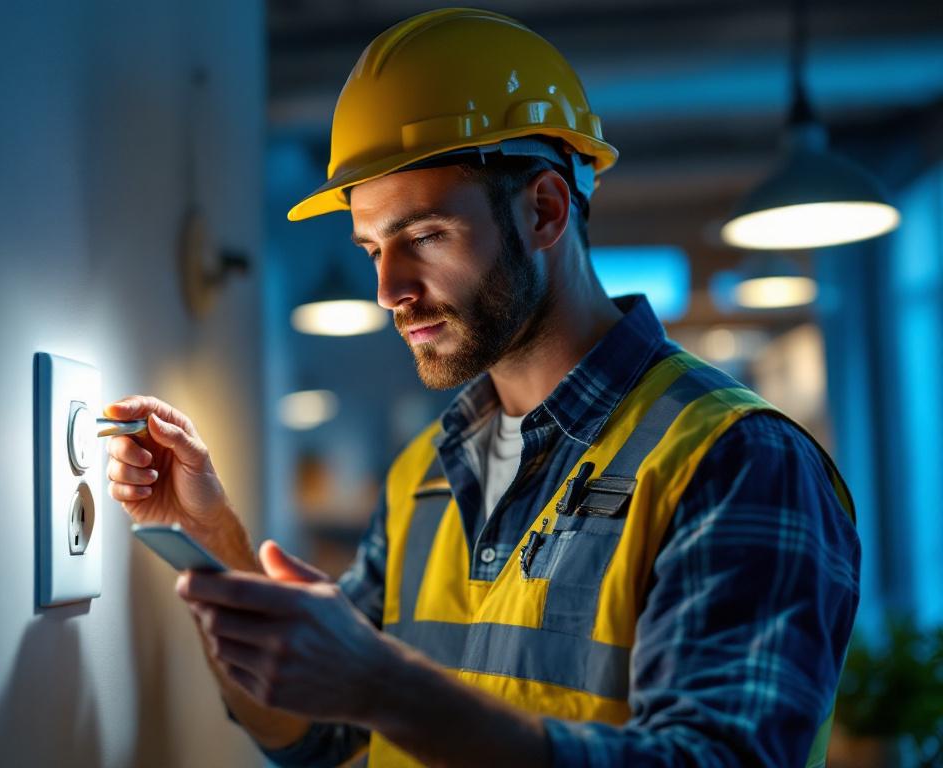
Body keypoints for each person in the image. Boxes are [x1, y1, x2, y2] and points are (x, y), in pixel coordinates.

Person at [104, 9, 860, 767]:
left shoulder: (738, 462)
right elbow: (316, 737)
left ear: (544, 209)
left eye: (425, 236)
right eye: (371, 248)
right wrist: (213, 538)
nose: (388, 289)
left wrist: (384, 686)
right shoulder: (421, 478)